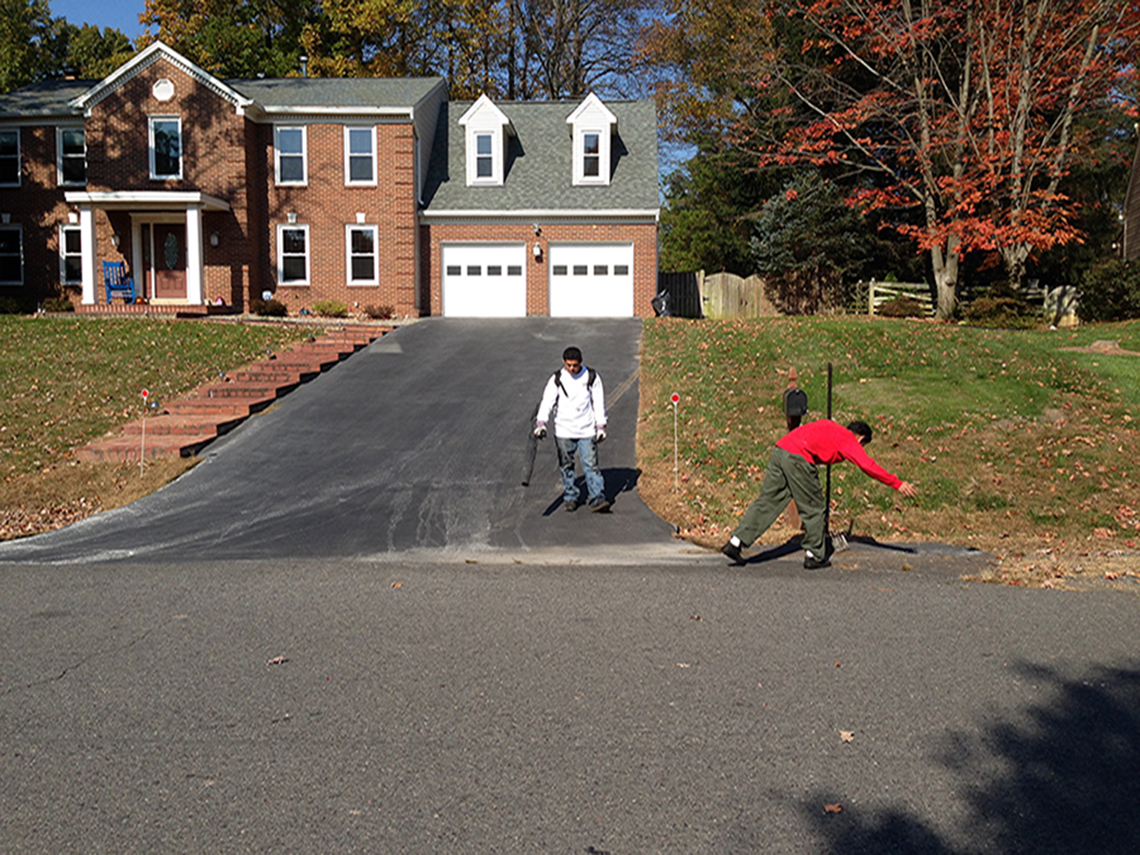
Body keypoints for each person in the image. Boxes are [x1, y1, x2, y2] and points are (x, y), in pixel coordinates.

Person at [721, 419, 918, 568]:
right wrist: (897, 484)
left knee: (768, 501)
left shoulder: (831, 427)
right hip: (799, 458)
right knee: (813, 507)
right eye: (863, 445)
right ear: (861, 438)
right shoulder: (849, 439)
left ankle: (735, 542)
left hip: (780, 450)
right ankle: (814, 555)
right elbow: (868, 465)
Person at [534, 346, 609, 512]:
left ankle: (597, 498)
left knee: (591, 465)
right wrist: (541, 423)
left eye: (575, 365)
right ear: (564, 362)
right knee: (566, 465)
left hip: (586, 429)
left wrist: (601, 425)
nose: (572, 369)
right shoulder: (557, 379)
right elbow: (547, 401)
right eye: (568, 365)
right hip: (564, 430)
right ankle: (570, 496)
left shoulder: (591, 377)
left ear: (581, 362)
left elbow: (598, 401)